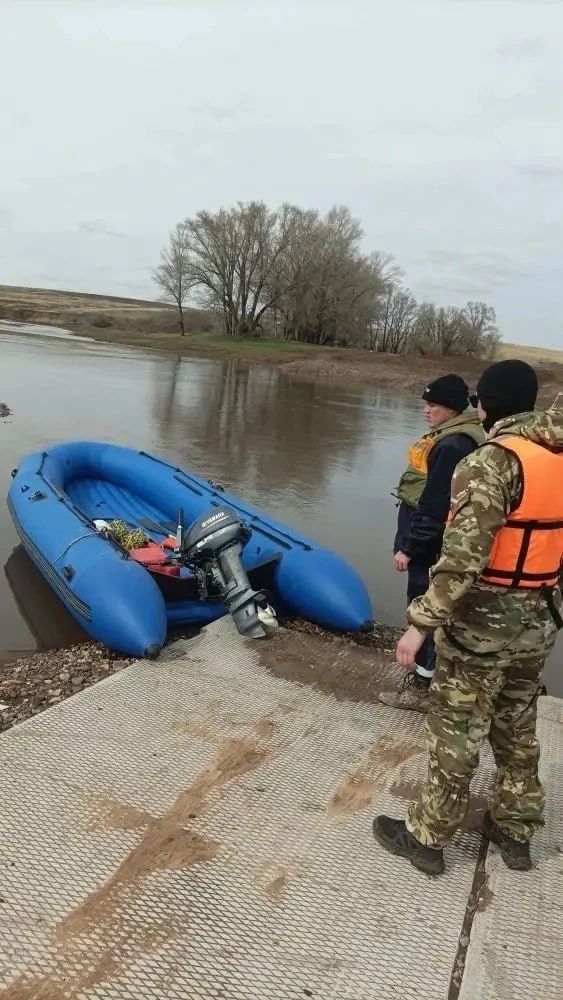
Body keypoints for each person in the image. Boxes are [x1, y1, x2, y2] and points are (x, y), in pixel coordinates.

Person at [372, 359, 563, 876]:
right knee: (517, 726)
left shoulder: (491, 462)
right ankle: (515, 829)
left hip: (482, 625)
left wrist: (421, 623)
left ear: (486, 405)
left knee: (457, 730)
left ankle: (427, 836)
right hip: (538, 622)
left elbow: (462, 560)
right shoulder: (558, 455)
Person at [379, 375, 485, 712]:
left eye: (432, 406)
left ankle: (423, 688)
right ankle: (436, 679)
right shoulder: (458, 436)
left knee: (423, 606)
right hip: (434, 542)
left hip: (430, 546)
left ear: (451, 408)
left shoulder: (453, 445)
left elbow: (434, 505)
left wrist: (409, 547)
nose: (426, 411)